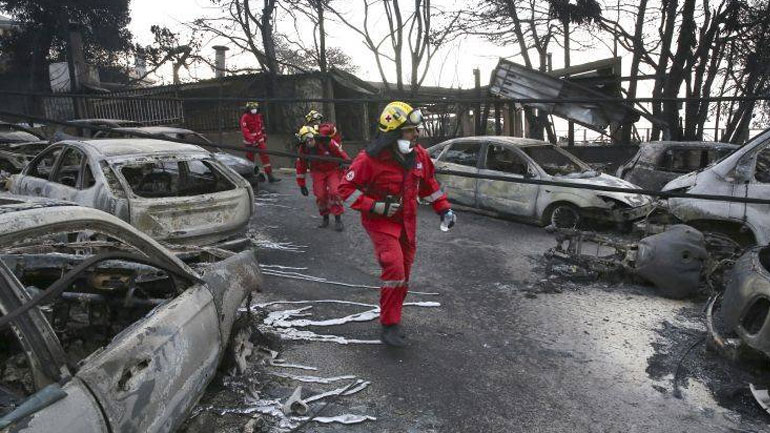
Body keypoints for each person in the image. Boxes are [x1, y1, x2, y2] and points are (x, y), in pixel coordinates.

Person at [338, 101, 456, 347]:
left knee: (404, 276)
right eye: (410, 130)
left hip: (407, 223)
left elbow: (429, 186)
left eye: (416, 129)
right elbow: (345, 189)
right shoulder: (369, 160)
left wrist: (443, 208)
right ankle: (389, 325)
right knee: (394, 269)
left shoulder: (420, 156)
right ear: (393, 133)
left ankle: (394, 317)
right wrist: (375, 206)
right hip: (380, 224)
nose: (416, 134)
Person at [295, 125, 350, 231]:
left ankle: (338, 219)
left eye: (311, 139)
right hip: (317, 172)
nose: (309, 143)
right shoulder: (304, 150)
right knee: (320, 195)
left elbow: (341, 154)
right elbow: (300, 167)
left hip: (332, 169)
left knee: (334, 192)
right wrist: (302, 185)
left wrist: (348, 165)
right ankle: (325, 217)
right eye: (306, 141)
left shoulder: (327, 142)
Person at [240, 101, 280, 183]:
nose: (254, 110)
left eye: (255, 108)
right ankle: (250, 176)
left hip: (260, 140)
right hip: (250, 143)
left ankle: (270, 176)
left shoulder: (258, 116)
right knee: (250, 160)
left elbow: (261, 126)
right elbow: (245, 130)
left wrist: (264, 135)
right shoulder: (245, 117)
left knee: (265, 158)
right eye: (252, 108)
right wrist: (252, 140)